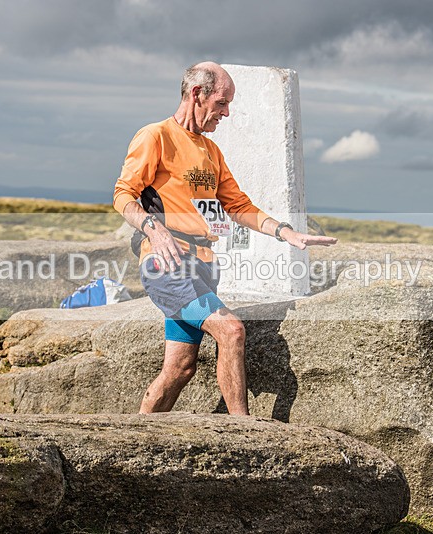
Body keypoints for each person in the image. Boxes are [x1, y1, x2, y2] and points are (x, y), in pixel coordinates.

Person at [113, 61, 337, 415]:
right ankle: (243, 430)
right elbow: (123, 195)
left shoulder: (211, 151)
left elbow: (237, 206)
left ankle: (137, 432)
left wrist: (285, 232)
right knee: (231, 330)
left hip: (203, 267)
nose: (227, 113)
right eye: (222, 103)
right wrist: (153, 229)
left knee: (180, 369)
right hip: (167, 265)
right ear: (197, 94)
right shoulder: (155, 136)